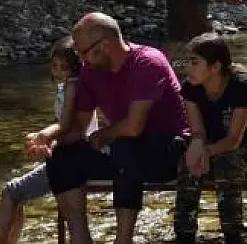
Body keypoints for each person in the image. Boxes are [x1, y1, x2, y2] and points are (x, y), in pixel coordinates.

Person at [38, 13, 190, 244]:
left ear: (105, 45)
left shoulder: (148, 62)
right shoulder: (90, 72)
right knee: (61, 155)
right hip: (123, 155)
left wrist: (103, 135)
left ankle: (123, 239)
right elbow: (79, 129)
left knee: (125, 144)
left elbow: (133, 127)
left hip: (168, 152)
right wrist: (47, 141)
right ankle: (80, 239)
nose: (80, 59)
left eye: (83, 52)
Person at [0, 38, 98, 244]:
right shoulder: (68, 87)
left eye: (64, 67)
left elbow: (66, 125)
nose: (58, 72)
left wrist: (44, 136)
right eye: (54, 66)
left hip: (70, 158)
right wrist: (45, 141)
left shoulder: (72, 87)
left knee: (12, 192)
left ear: (76, 67)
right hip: (69, 154)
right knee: (74, 220)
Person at [174, 34, 247, 244]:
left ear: (215, 66)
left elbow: (233, 140)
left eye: (194, 63)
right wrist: (196, 148)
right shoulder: (191, 87)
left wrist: (204, 152)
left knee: (227, 161)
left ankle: (233, 235)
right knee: (186, 163)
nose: (188, 69)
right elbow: (197, 131)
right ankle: (184, 234)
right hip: (211, 154)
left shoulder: (241, 86)